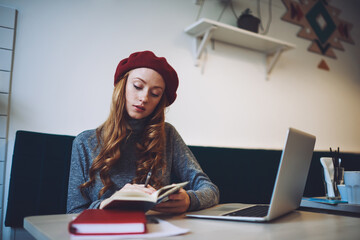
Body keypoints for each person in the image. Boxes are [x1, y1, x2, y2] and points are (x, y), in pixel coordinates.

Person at [67, 50, 219, 214]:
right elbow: (72, 213)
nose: (144, 98)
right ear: (122, 86)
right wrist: (109, 203)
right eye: (137, 86)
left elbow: (210, 190)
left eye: (155, 94)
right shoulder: (85, 142)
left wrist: (190, 200)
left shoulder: (167, 135)